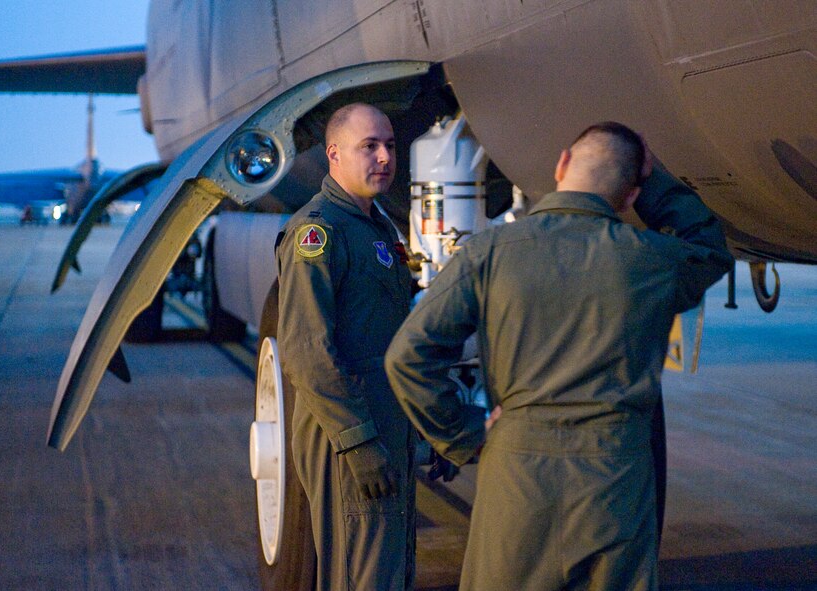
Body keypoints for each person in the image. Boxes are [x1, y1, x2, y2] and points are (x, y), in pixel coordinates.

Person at [384, 122, 734, 590]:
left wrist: (464, 433)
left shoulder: (490, 251)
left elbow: (408, 357)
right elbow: (710, 250)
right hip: (615, 475)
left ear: (563, 163)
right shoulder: (651, 259)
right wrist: (656, 183)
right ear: (631, 196)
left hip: (518, 470)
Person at [276, 103, 416, 590]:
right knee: (362, 576)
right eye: (369, 146)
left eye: (390, 146)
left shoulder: (374, 227)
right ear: (334, 154)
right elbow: (306, 352)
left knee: (388, 569)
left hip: (381, 428)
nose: (384, 158)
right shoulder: (318, 231)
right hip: (347, 436)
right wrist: (358, 441)